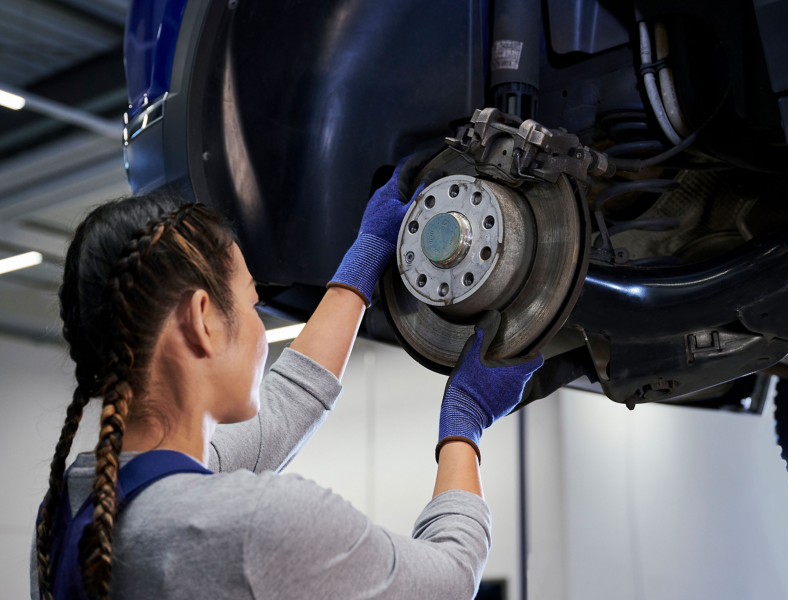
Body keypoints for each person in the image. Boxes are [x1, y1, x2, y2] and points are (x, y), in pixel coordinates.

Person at [30, 158, 543, 600]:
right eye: (254, 303)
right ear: (201, 320)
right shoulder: (255, 526)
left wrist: (363, 264)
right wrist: (464, 426)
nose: (260, 329)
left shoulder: (71, 513)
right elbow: (448, 581)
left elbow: (288, 401)